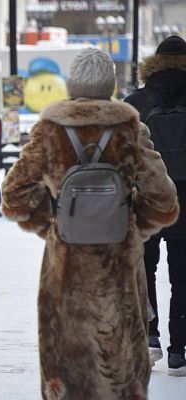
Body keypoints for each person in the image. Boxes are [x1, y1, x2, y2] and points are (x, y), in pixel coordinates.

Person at [2, 48, 179, 398]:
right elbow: (164, 200)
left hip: (65, 260)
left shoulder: (49, 130)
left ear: (72, 84)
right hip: (119, 260)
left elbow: (14, 195)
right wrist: (128, 222)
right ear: (110, 84)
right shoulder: (131, 129)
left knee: (66, 353)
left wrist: (53, 223)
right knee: (122, 353)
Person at [124, 35, 186, 376]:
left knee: (144, 269)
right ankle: (180, 349)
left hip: (145, 199)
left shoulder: (138, 100)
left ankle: (150, 336)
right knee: (182, 274)